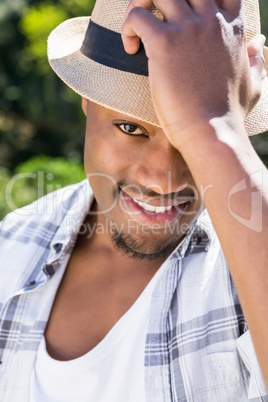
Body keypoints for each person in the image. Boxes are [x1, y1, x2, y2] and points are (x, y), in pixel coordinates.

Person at [0, 0, 268, 400]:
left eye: (189, 141)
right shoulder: (14, 245)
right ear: (85, 99)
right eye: (131, 127)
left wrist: (216, 127)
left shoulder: (240, 271)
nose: (163, 179)